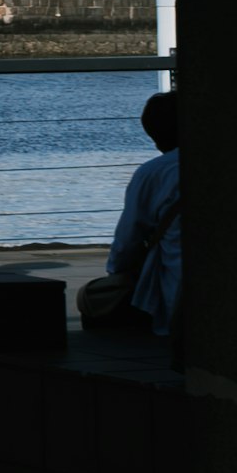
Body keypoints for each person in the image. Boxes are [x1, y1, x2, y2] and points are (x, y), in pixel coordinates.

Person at [78, 91, 182, 335]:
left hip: (176, 289)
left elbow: (128, 239)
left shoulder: (153, 173)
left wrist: (117, 273)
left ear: (156, 137)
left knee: (97, 301)